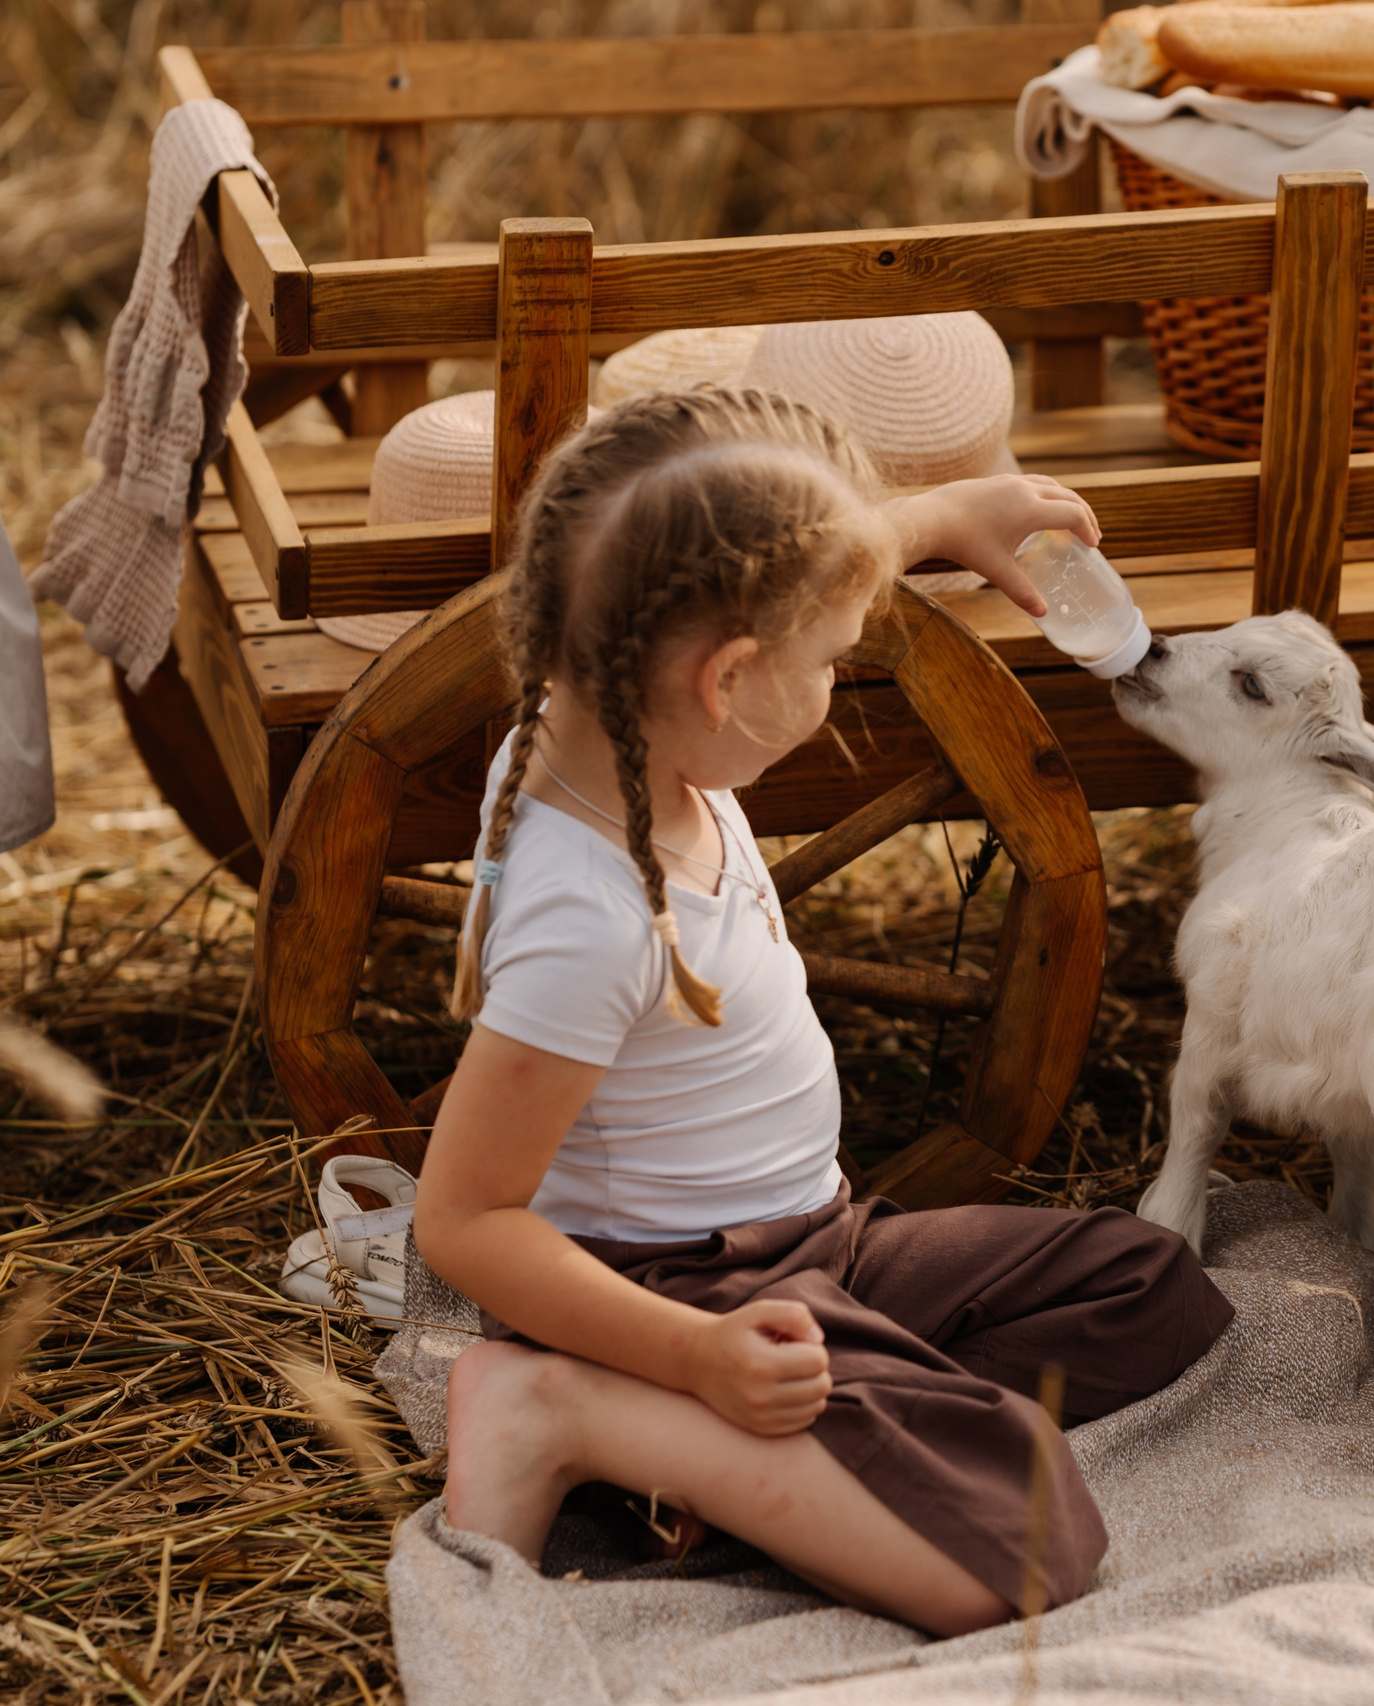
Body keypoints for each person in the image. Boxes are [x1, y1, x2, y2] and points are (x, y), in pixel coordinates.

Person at [416, 388, 1232, 1634]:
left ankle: (788, 1451)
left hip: (822, 1241)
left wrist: (952, 513)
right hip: (686, 1292)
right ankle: (572, 1408)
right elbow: (463, 1219)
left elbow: (754, 561)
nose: (836, 674)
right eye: (831, 660)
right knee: (1024, 1550)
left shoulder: (598, 701)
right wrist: (699, 1360)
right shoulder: (592, 914)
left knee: (1145, 1285)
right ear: (730, 677)